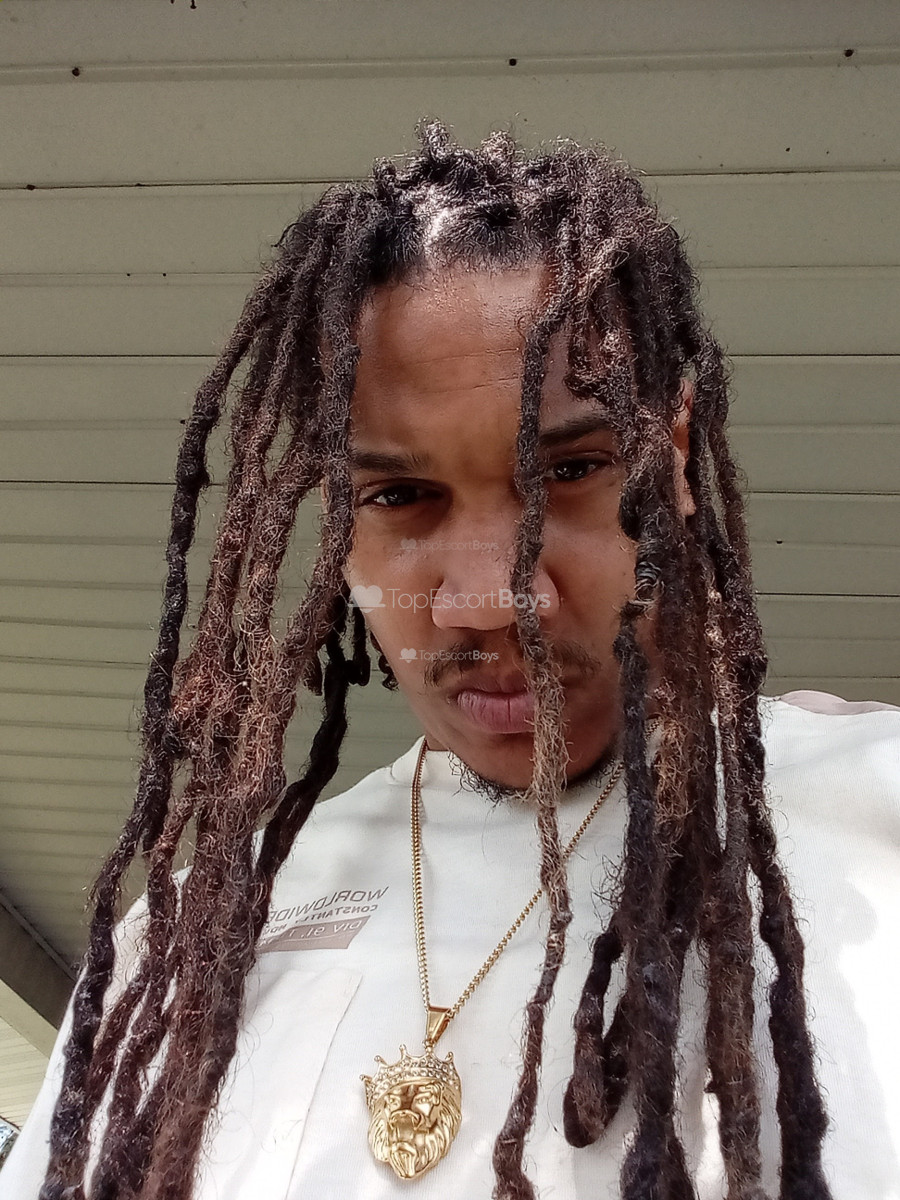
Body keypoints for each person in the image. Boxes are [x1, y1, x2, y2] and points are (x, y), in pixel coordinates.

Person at [1, 121, 898, 1200]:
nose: (488, 599)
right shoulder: (187, 945)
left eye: (568, 470)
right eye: (398, 495)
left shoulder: (874, 816)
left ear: (671, 459)